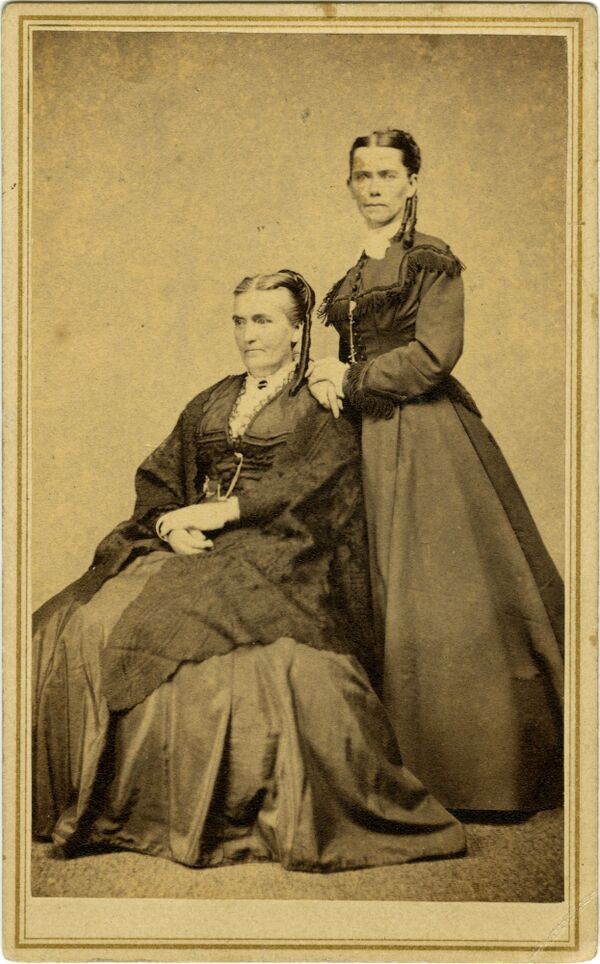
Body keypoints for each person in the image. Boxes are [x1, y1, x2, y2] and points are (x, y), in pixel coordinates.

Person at [32, 269, 466, 872]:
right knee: (74, 619)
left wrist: (216, 513)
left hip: (283, 546)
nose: (248, 334)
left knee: (196, 636)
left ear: (297, 331)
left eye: (263, 320)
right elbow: (162, 476)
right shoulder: (213, 398)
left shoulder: (321, 402)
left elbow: (312, 486)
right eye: (240, 320)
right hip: (196, 542)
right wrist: (169, 524)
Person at [308, 130, 564, 813]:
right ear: (349, 185)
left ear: (412, 182)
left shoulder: (430, 259)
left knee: (438, 593)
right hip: (363, 436)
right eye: (362, 176)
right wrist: (328, 380)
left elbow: (433, 356)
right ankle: (394, 766)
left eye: (387, 175)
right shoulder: (354, 272)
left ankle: (470, 774)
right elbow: (348, 355)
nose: (373, 187)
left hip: (424, 438)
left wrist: (349, 378)